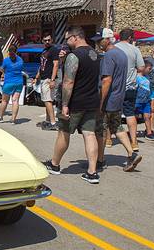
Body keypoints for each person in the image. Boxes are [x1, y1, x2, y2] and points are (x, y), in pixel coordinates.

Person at [44, 26, 101, 184]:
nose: (67, 43)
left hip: (75, 102)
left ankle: (54, 164)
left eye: (68, 39)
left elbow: (69, 82)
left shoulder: (74, 56)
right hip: (91, 101)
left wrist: (64, 104)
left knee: (63, 132)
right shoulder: (95, 54)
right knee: (89, 134)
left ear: (76, 37)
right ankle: (92, 172)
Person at [95, 28, 142, 173]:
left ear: (107, 39)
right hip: (118, 96)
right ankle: (131, 153)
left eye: (99, 41)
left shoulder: (109, 55)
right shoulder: (121, 54)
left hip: (109, 98)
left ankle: (100, 160)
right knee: (116, 127)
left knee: (101, 129)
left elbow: (107, 80)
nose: (97, 44)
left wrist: (100, 102)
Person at [115, 28, 145, 152]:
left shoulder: (114, 48)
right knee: (130, 113)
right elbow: (141, 67)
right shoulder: (135, 50)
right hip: (130, 86)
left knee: (112, 113)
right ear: (130, 38)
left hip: (116, 86)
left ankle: (109, 138)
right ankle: (134, 141)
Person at [33, 33, 60, 131]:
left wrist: (52, 80)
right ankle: (48, 120)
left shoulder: (54, 50)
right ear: (42, 41)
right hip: (44, 78)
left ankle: (53, 122)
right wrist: (37, 77)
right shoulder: (44, 50)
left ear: (52, 40)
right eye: (45, 40)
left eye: (49, 40)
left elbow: (56, 64)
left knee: (48, 100)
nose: (47, 42)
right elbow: (42, 65)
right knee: (46, 100)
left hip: (49, 79)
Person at [0, 46, 25, 123]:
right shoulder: (20, 60)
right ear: (16, 51)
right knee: (15, 100)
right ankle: (13, 119)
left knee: (4, 101)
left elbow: (1, 69)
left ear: (8, 51)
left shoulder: (6, 60)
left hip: (9, 82)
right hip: (19, 82)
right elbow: (21, 68)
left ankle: (0, 117)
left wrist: (5, 71)